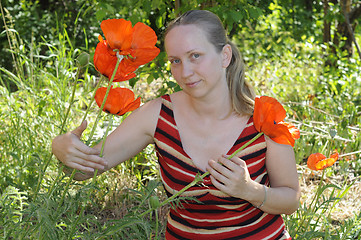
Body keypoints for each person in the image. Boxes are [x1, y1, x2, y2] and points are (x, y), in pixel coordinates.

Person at [52, 10, 300, 239]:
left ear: (225, 56)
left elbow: (291, 199)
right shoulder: (158, 115)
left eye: (195, 56)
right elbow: (84, 169)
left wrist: (249, 190)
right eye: (176, 61)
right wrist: (62, 150)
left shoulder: (264, 118)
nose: (185, 72)